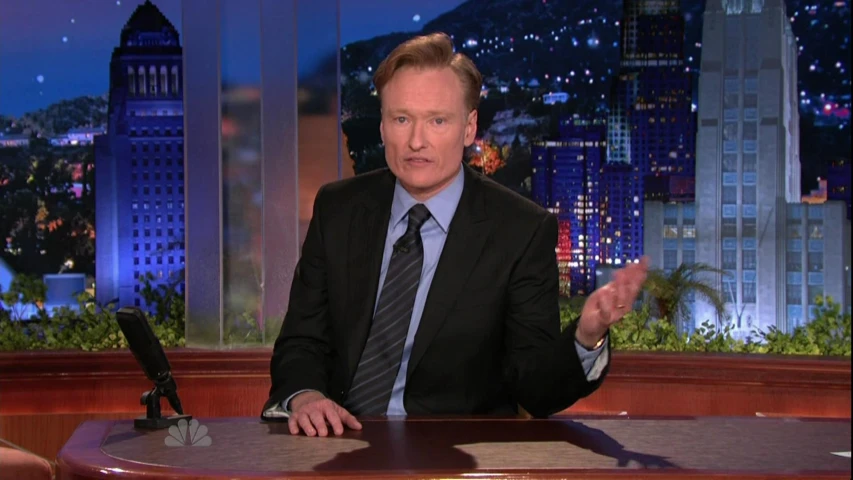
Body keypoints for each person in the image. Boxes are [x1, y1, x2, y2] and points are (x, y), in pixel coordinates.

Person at [261, 32, 649, 437]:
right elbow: (302, 341)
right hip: (336, 444)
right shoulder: (338, 209)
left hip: (456, 454)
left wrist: (586, 336)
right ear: (382, 127)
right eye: (401, 119)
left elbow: (536, 389)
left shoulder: (520, 230)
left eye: (437, 120)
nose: (416, 141)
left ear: (469, 128)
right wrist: (305, 396)